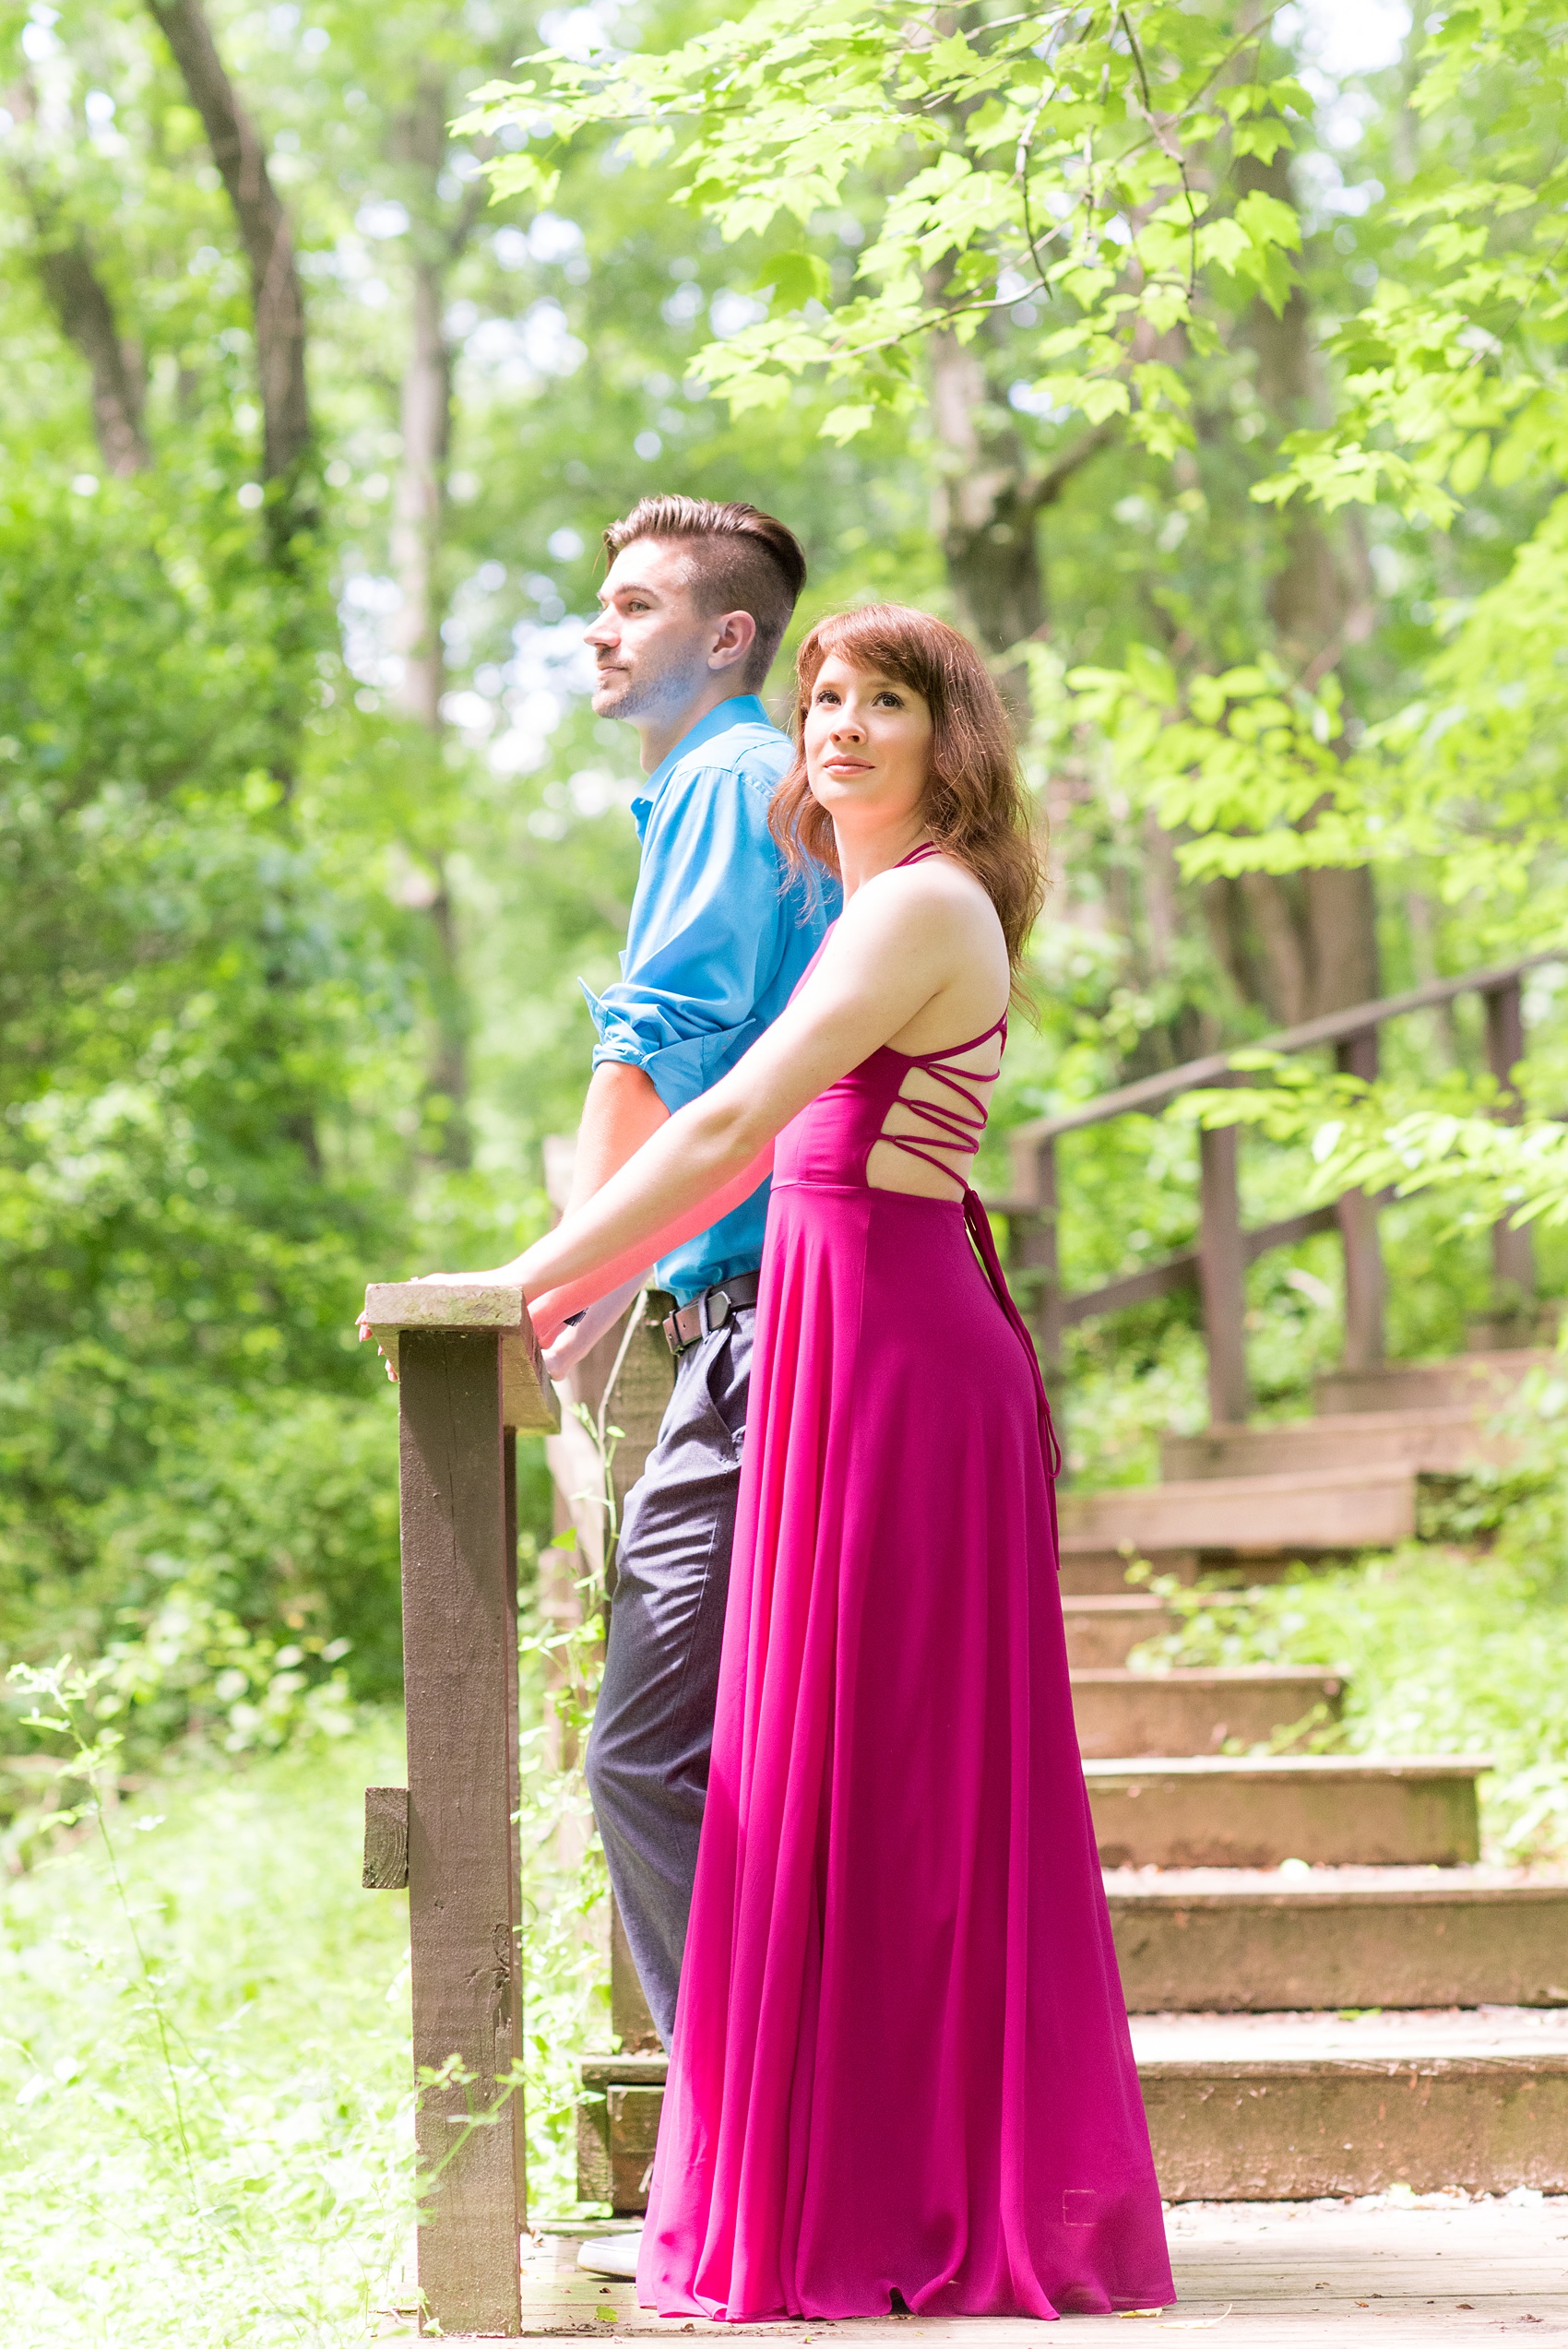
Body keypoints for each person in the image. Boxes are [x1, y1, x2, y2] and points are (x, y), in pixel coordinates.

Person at [463, 603, 1174, 2320]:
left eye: (885, 703)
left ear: (952, 739)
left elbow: (723, 1129)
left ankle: (892, 2188)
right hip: (845, 1356)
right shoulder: (876, 906)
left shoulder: (920, 903)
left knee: (892, 1792)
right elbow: (732, 1169)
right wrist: (587, 1281)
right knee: (820, 1789)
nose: (840, 728)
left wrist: (527, 1279)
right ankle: (846, 2167)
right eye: (823, 700)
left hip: (902, 1376)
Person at [553, 496, 839, 2076]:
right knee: (723, 1753)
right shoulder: (735, 791)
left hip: (764, 1330)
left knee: (647, 1759)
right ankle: (775, 2120)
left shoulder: (730, 782)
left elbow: (654, 1048)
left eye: (635, 604)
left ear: (727, 638)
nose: (599, 629)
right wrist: (613, 1289)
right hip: (738, 1300)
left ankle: (737, 2123)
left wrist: (542, 1287)